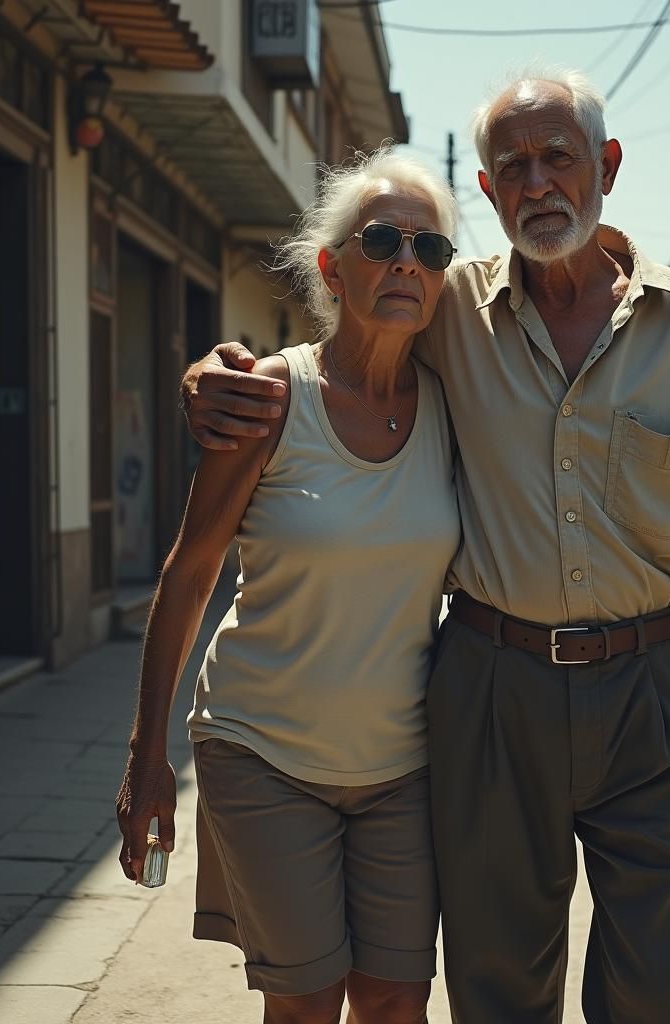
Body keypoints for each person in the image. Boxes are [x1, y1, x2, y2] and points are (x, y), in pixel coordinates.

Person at [182, 68, 670, 1024]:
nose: (536, 184)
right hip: (491, 688)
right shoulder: (446, 311)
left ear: (604, 165)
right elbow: (344, 354)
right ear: (485, 190)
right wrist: (213, 372)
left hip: (654, 693)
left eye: (558, 157)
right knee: (500, 987)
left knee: (661, 990)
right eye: (510, 166)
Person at [115, 148, 461, 1024]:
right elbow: (190, 573)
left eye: (430, 251)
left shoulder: (459, 404)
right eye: (382, 240)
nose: (407, 264)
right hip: (263, 751)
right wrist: (146, 755)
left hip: (403, 766)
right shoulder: (270, 396)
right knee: (304, 1002)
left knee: (395, 1003)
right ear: (332, 267)